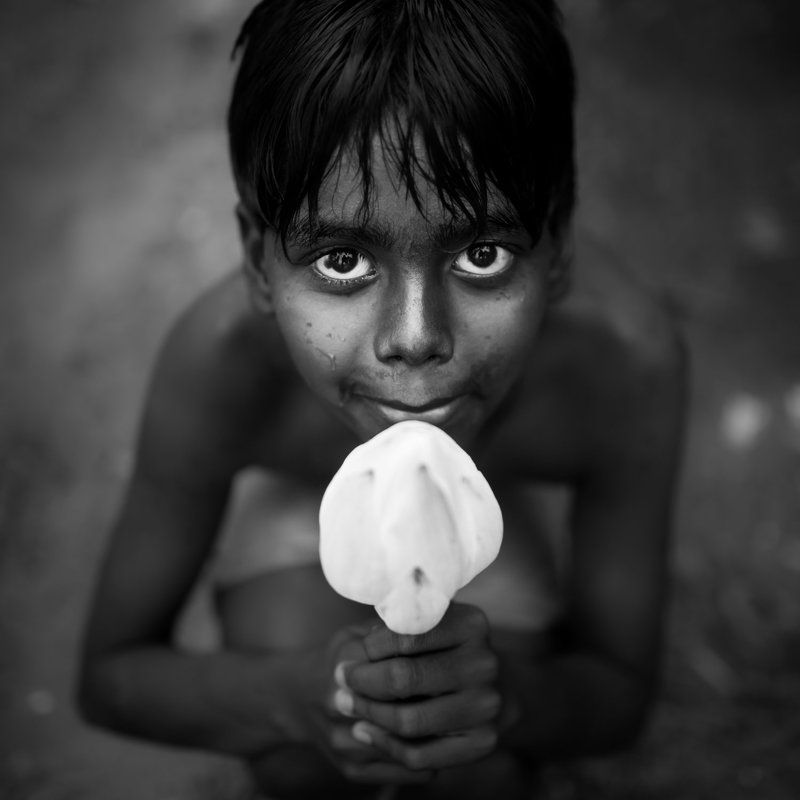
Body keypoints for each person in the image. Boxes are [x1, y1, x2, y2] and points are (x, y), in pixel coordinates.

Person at [77, 0, 687, 797]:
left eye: (482, 252)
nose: (414, 337)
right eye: (339, 261)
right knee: (300, 769)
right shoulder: (223, 365)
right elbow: (112, 676)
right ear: (261, 262)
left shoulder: (621, 367)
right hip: (298, 520)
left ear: (559, 248)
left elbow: (617, 697)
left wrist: (506, 700)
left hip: (499, 529)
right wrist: (293, 701)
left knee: (485, 776)